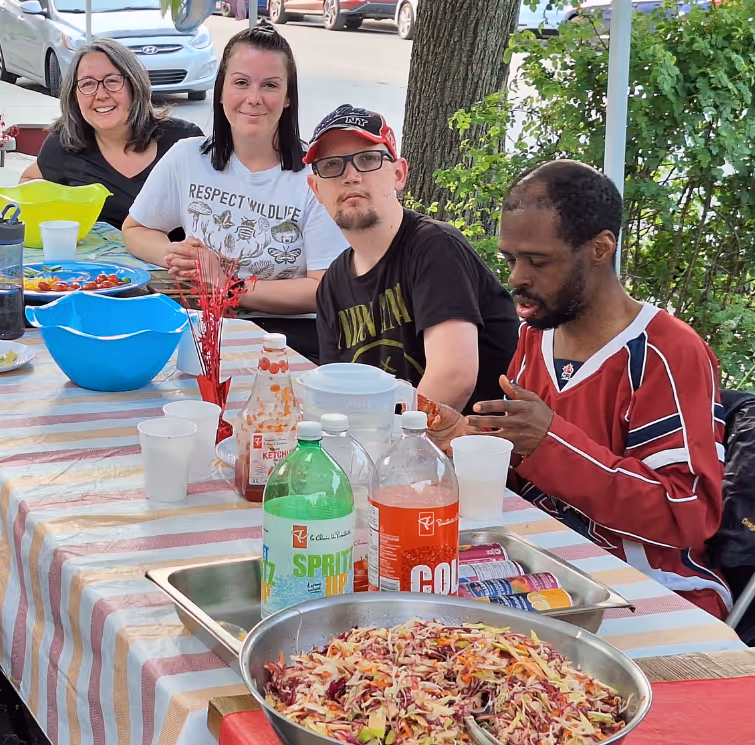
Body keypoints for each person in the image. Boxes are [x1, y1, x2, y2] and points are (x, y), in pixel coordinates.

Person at [430, 160, 731, 618]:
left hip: (648, 589)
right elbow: (525, 466)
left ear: (599, 248)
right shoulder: (535, 334)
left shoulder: (667, 353)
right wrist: (468, 444)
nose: (516, 279)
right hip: (538, 567)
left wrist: (549, 442)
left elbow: (685, 513)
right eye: (510, 259)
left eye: (538, 261)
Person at [123, 23, 347, 361]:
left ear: (288, 97)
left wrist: (228, 285)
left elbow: (323, 289)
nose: (254, 98)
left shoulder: (314, 178)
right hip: (203, 327)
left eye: (270, 85)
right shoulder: (188, 156)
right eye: (241, 82)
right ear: (221, 90)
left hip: (289, 341)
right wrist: (179, 257)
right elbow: (137, 229)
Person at [307, 104, 518, 411]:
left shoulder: (434, 247)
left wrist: (383, 447)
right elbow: (336, 392)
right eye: (331, 165)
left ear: (399, 174)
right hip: (386, 442)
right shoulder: (332, 285)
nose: (350, 176)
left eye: (367, 159)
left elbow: (453, 378)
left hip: (470, 445)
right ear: (316, 189)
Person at [21, 39, 202, 230]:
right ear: (74, 94)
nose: (100, 95)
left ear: (134, 85)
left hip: (175, 259)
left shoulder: (185, 140)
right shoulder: (65, 142)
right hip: (95, 260)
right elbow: (28, 183)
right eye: (88, 84)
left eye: (112, 81)